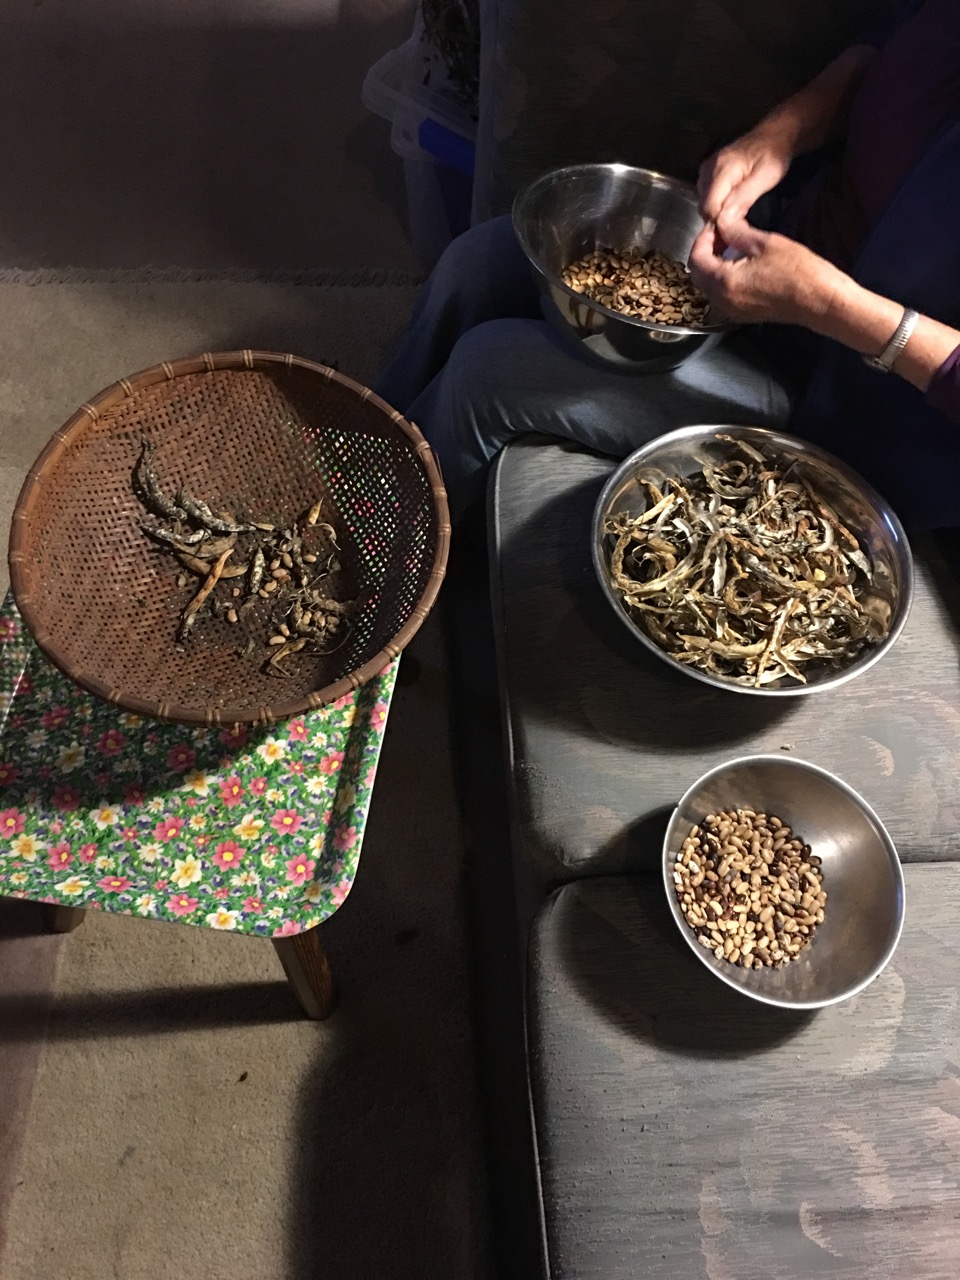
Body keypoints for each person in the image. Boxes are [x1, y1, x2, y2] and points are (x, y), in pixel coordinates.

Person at [377, 0, 960, 529]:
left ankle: (383, 552)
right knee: (475, 263)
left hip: (842, 397)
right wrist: (779, 135)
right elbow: (884, 47)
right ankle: (366, 441)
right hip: (776, 241)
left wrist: (821, 302)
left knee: (489, 371)